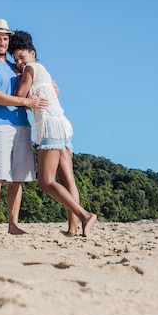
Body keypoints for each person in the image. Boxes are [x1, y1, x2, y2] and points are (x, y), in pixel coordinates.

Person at [8, 30, 97, 237]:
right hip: (62, 125)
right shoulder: (44, 71)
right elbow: (42, 99)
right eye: (16, 60)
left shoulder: (30, 69)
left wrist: (19, 75)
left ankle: (85, 216)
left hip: (49, 127)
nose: (20, 62)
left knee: (46, 181)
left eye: (22, 57)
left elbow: (19, 96)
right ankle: (73, 229)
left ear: (33, 53)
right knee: (68, 180)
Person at [0, 19, 49, 235]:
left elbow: (35, 84)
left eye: (5, 39)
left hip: (22, 126)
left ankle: (13, 225)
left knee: (18, 178)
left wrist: (51, 87)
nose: (2, 42)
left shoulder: (16, 66)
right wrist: (27, 102)